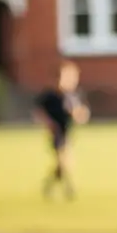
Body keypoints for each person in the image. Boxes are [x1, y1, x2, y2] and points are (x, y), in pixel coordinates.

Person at [33, 60, 90, 200]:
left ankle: (48, 185)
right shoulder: (51, 95)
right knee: (64, 162)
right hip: (56, 133)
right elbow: (39, 112)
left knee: (62, 164)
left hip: (67, 133)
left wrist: (80, 115)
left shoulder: (73, 96)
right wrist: (48, 123)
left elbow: (78, 113)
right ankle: (69, 189)